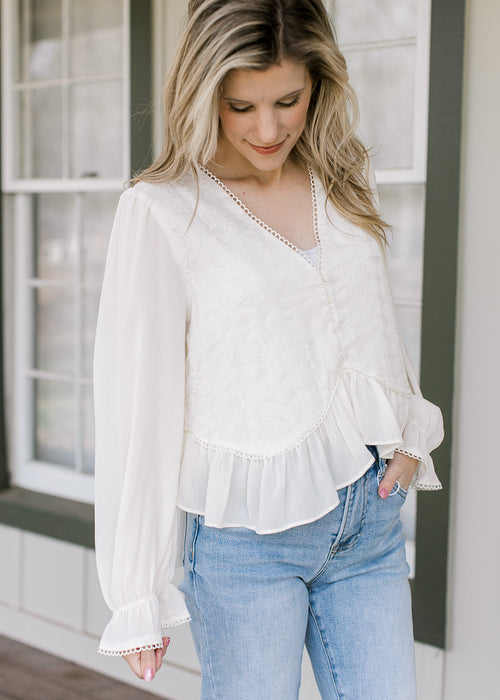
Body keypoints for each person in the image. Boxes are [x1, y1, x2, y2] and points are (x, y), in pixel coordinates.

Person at [93, 1, 444, 698]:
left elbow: (370, 319)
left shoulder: (342, 178)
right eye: (240, 105)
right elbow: (140, 403)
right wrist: (136, 589)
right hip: (247, 544)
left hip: (369, 521)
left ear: (319, 83)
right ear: (203, 96)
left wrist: (409, 433)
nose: (268, 128)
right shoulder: (166, 211)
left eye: (289, 99)